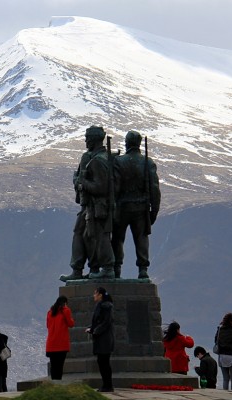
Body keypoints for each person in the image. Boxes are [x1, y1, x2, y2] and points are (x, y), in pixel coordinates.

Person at [60, 126, 115, 281]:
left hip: (97, 206)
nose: (85, 140)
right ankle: (78, 269)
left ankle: (106, 268)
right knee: (80, 234)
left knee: (98, 237)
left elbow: (100, 187)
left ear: (94, 139)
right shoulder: (91, 157)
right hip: (88, 206)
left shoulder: (98, 161)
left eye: (87, 137)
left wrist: (82, 182)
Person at [111, 130, 161, 279]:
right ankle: (143, 269)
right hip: (141, 207)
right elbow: (154, 189)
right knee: (141, 238)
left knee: (118, 239)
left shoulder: (119, 161)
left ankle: (116, 268)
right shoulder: (148, 162)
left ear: (127, 143)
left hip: (122, 207)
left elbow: (115, 187)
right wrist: (154, 210)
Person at [86, 287, 114, 392]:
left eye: (95, 293)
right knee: (101, 362)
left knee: (104, 362)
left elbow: (106, 322)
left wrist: (96, 330)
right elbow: (97, 322)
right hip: (100, 339)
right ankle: (106, 384)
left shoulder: (106, 306)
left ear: (100, 295)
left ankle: (108, 385)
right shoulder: (100, 306)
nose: (94, 295)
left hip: (105, 339)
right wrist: (91, 329)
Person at [46, 296, 75, 380]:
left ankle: (54, 384)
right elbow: (71, 324)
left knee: (53, 366)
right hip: (61, 343)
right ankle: (58, 384)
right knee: (59, 366)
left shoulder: (49, 312)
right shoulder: (66, 311)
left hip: (51, 344)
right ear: (65, 303)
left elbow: (48, 326)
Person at [214, 312, 232, 390]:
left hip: (222, 356)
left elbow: (215, 340)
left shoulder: (220, 329)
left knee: (225, 378)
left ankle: (225, 394)